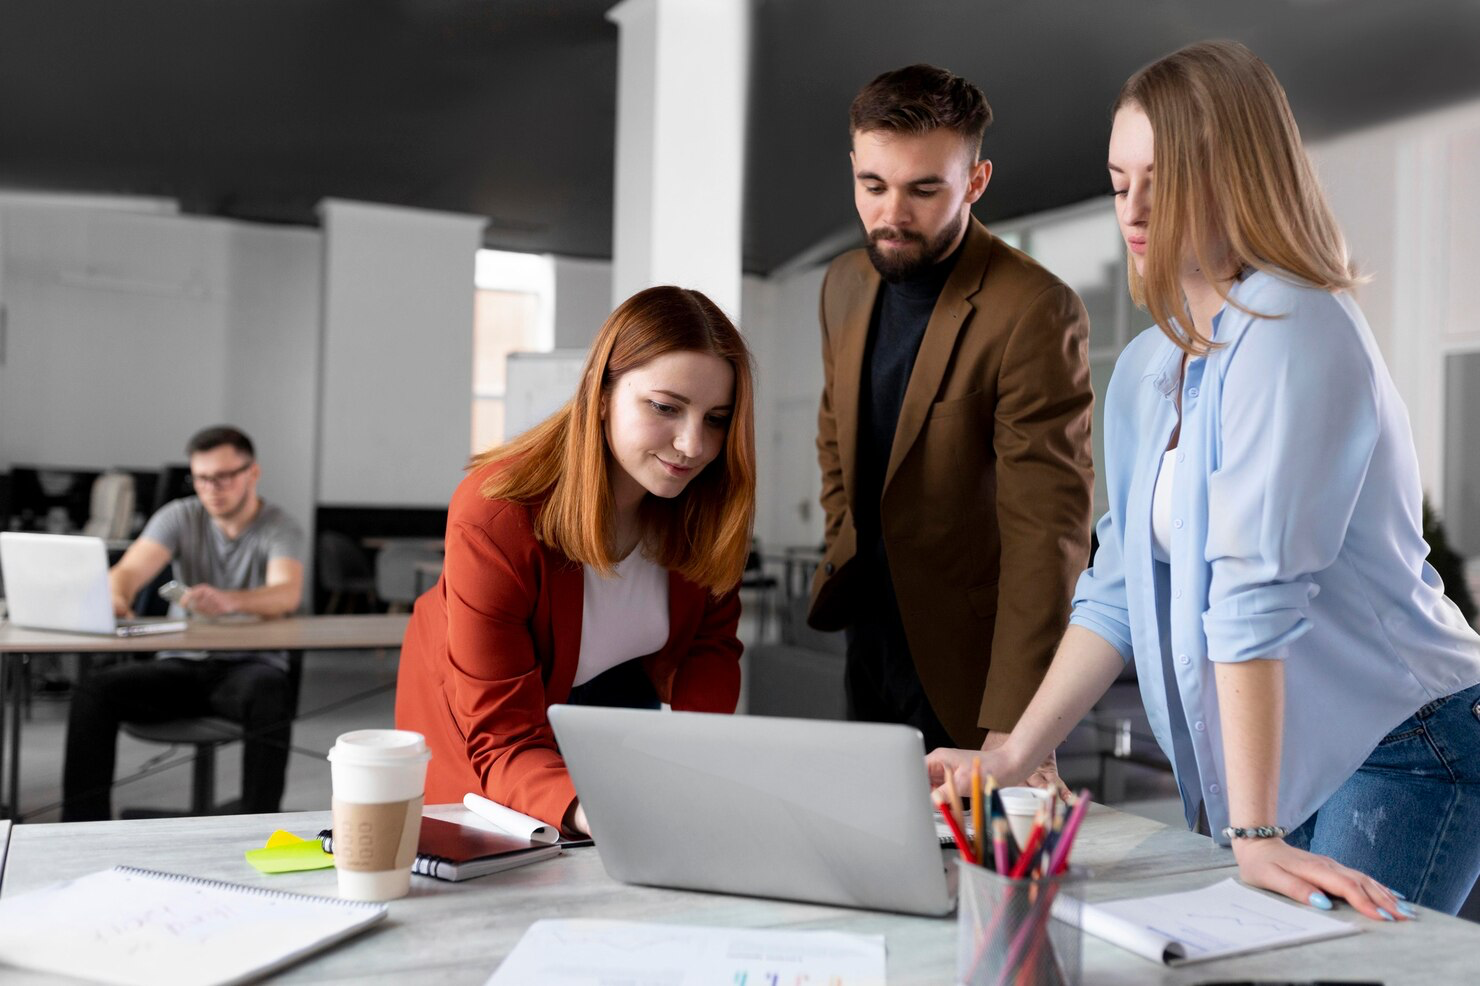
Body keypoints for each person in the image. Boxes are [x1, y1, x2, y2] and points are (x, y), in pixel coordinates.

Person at [927, 41, 1480, 919]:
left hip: (1406, 739)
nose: (1134, 208)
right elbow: (1115, 591)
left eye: (1164, 179)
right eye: (1119, 182)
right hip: (1290, 757)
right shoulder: (1150, 367)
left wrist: (1252, 834)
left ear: (1237, 176)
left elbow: (1254, 591)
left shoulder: (1296, 325)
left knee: (1331, 970)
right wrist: (1008, 758)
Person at [810, 64, 1094, 779]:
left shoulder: (1034, 308)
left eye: (923, 189)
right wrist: (844, 539)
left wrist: (1016, 726)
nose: (892, 214)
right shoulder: (843, 282)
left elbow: (1047, 531)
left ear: (975, 181)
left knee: (975, 855)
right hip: (868, 638)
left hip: (972, 668)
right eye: (873, 185)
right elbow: (835, 437)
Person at [396, 286, 756, 836]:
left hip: (611, 701)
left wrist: (698, 771)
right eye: (665, 407)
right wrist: (606, 813)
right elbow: (504, 740)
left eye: (717, 418)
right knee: (513, 859)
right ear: (602, 392)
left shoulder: (705, 506)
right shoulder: (498, 514)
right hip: (480, 724)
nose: (693, 445)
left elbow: (709, 651)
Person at [62, 425, 306, 821]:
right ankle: (81, 828)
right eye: (201, 478)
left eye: (223, 477)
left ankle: (259, 822)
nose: (211, 488)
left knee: (270, 691)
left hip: (248, 668)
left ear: (252, 473)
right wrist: (118, 596)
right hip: (180, 665)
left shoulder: (280, 526)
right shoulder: (179, 515)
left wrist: (230, 601)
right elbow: (128, 572)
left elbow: (286, 594)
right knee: (94, 691)